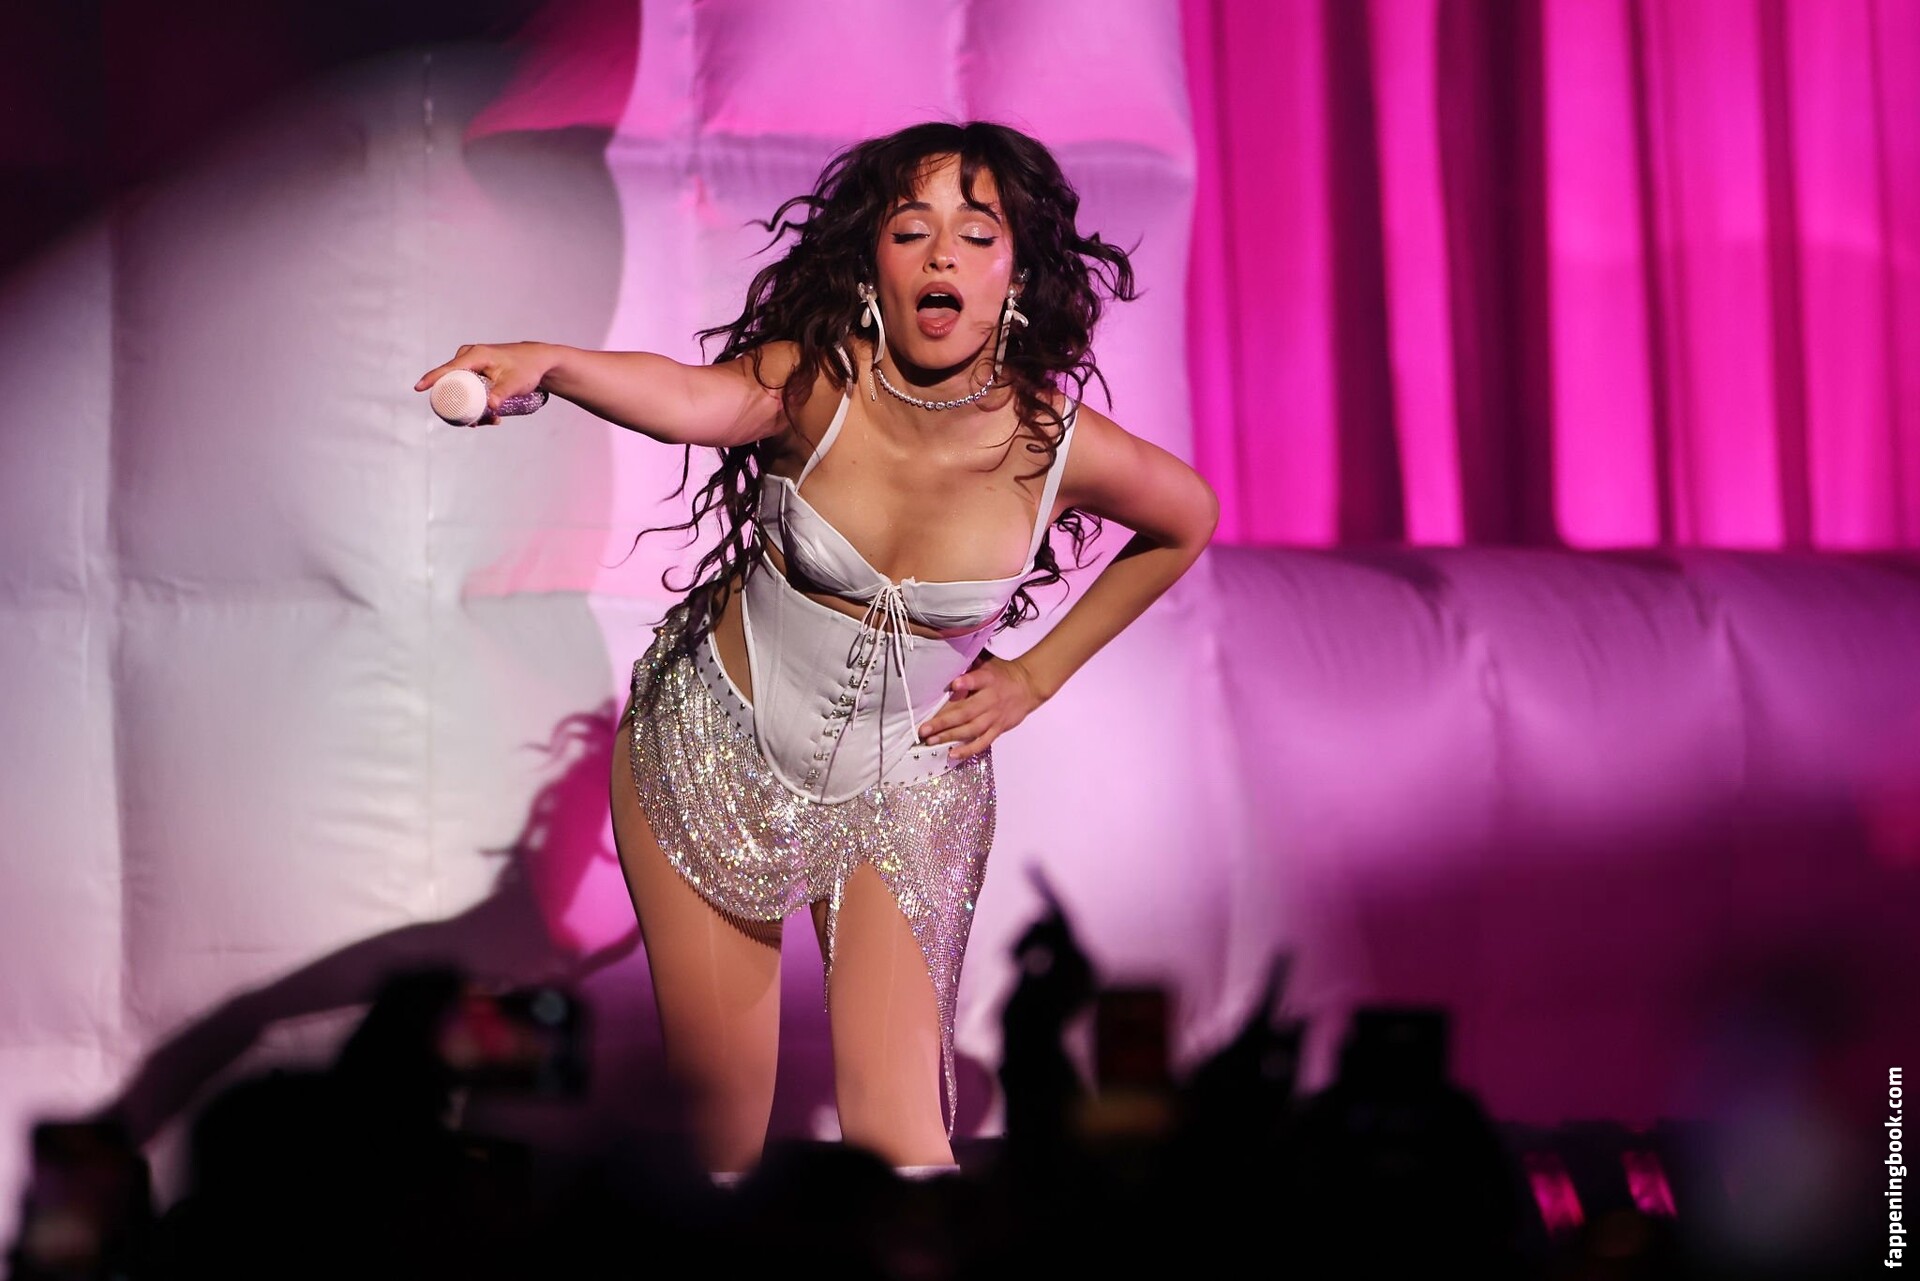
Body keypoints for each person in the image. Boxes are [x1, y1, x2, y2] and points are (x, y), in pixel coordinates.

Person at [412, 121, 1218, 1177]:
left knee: (902, 1142)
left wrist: (1033, 676)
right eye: (911, 230)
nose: (941, 254)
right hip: (715, 751)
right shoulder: (818, 382)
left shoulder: (1055, 444)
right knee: (721, 1143)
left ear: (1017, 273)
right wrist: (554, 364)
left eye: (977, 235)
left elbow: (1187, 519)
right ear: (872, 266)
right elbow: (688, 400)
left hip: (906, 790)